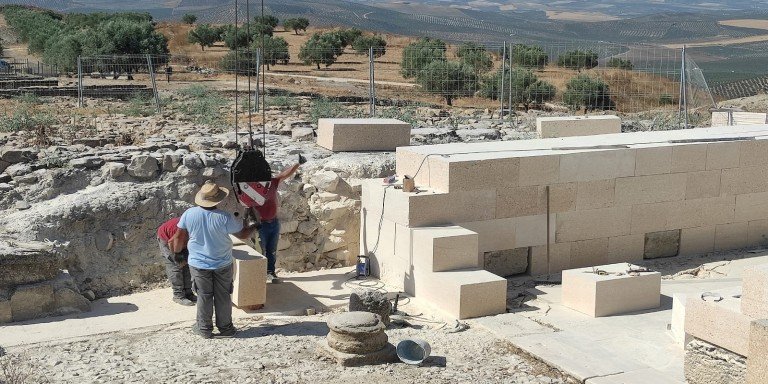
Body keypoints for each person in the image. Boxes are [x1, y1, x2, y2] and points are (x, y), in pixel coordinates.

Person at [173, 181, 257, 339]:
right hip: (222, 263)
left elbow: (179, 236)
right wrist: (254, 226)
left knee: (204, 295)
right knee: (223, 295)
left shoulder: (189, 214)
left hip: (198, 264)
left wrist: (178, 253)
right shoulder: (225, 217)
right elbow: (244, 235)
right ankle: (226, 329)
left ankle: (204, 329)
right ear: (218, 199)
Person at [250, 156, 304, 283]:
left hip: (274, 223)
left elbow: (285, 174)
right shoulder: (252, 187)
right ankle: (259, 275)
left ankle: (271, 273)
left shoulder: (272, 182)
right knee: (260, 251)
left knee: (272, 250)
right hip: (260, 224)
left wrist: (297, 164)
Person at [157, 217, 196, 306]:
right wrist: (176, 256)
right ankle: (178, 295)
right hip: (168, 239)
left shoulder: (197, 227)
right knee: (175, 266)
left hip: (181, 240)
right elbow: (171, 242)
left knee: (187, 264)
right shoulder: (182, 230)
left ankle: (188, 293)